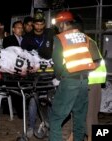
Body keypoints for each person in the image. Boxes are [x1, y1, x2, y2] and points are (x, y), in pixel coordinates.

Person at [49, 10, 102, 141]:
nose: (57, 28)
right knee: (79, 118)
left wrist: (59, 77)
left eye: (58, 25)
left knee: (56, 118)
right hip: (84, 82)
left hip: (69, 80)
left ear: (62, 24)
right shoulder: (86, 38)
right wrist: (84, 72)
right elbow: (97, 60)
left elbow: (57, 64)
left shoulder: (59, 38)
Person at [21, 10, 55, 137]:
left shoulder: (50, 33)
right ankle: (31, 126)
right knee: (33, 100)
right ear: (33, 24)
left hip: (49, 74)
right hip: (34, 76)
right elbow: (23, 56)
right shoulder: (27, 38)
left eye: (41, 24)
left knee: (51, 100)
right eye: (37, 24)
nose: (39, 26)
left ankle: (51, 126)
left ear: (44, 24)